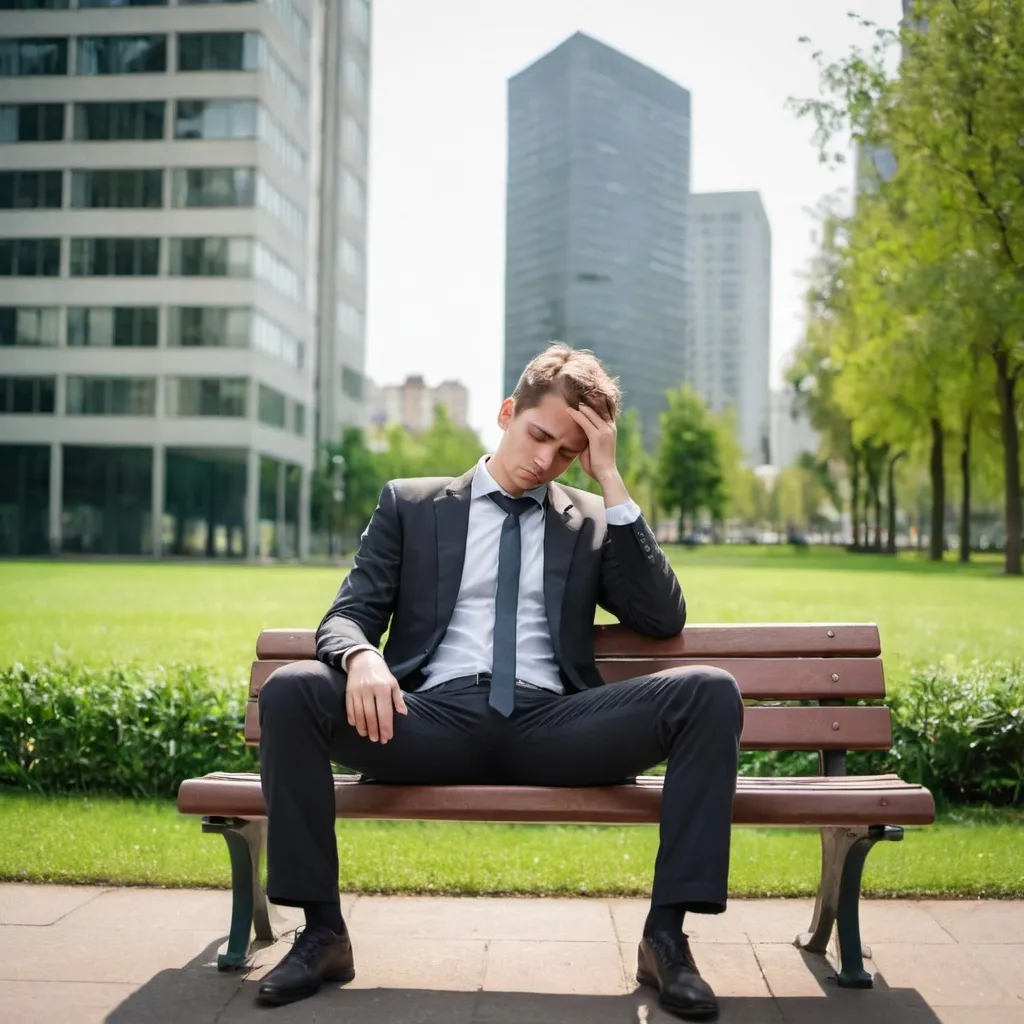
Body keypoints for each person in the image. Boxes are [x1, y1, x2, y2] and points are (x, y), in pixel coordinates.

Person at [256, 344, 744, 1021]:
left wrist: (609, 479)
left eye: (568, 452)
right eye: (539, 435)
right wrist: (362, 657)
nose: (546, 460)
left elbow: (663, 617)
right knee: (289, 690)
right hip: (428, 721)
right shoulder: (412, 506)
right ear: (507, 413)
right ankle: (321, 932)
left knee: (710, 691)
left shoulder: (590, 521)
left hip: (556, 728)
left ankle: (666, 939)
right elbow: (346, 615)